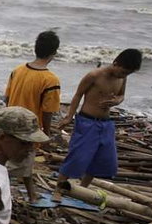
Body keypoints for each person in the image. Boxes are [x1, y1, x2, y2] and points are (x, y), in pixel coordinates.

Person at [51, 49, 143, 202]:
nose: (124, 75)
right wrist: (69, 116)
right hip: (87, 121)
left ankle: (82, 189)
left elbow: (121, 96)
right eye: (123, 72)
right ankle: (58, 189)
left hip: (105, 123)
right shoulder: (94, 76)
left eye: (128, 74)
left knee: (102, 158)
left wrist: (116, 101)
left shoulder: (122, 78)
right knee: (77, 157)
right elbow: (78, 95)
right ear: (115, 63)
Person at [3, 31, 61, 202]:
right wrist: (46, 134)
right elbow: (48, 111)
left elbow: (7, 98)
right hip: (28, 129)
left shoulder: (17, 71)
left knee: (21, 161)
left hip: (10, 123)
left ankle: (31, 194)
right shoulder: (50, 80)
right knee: (17, 163)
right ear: (54, 53)